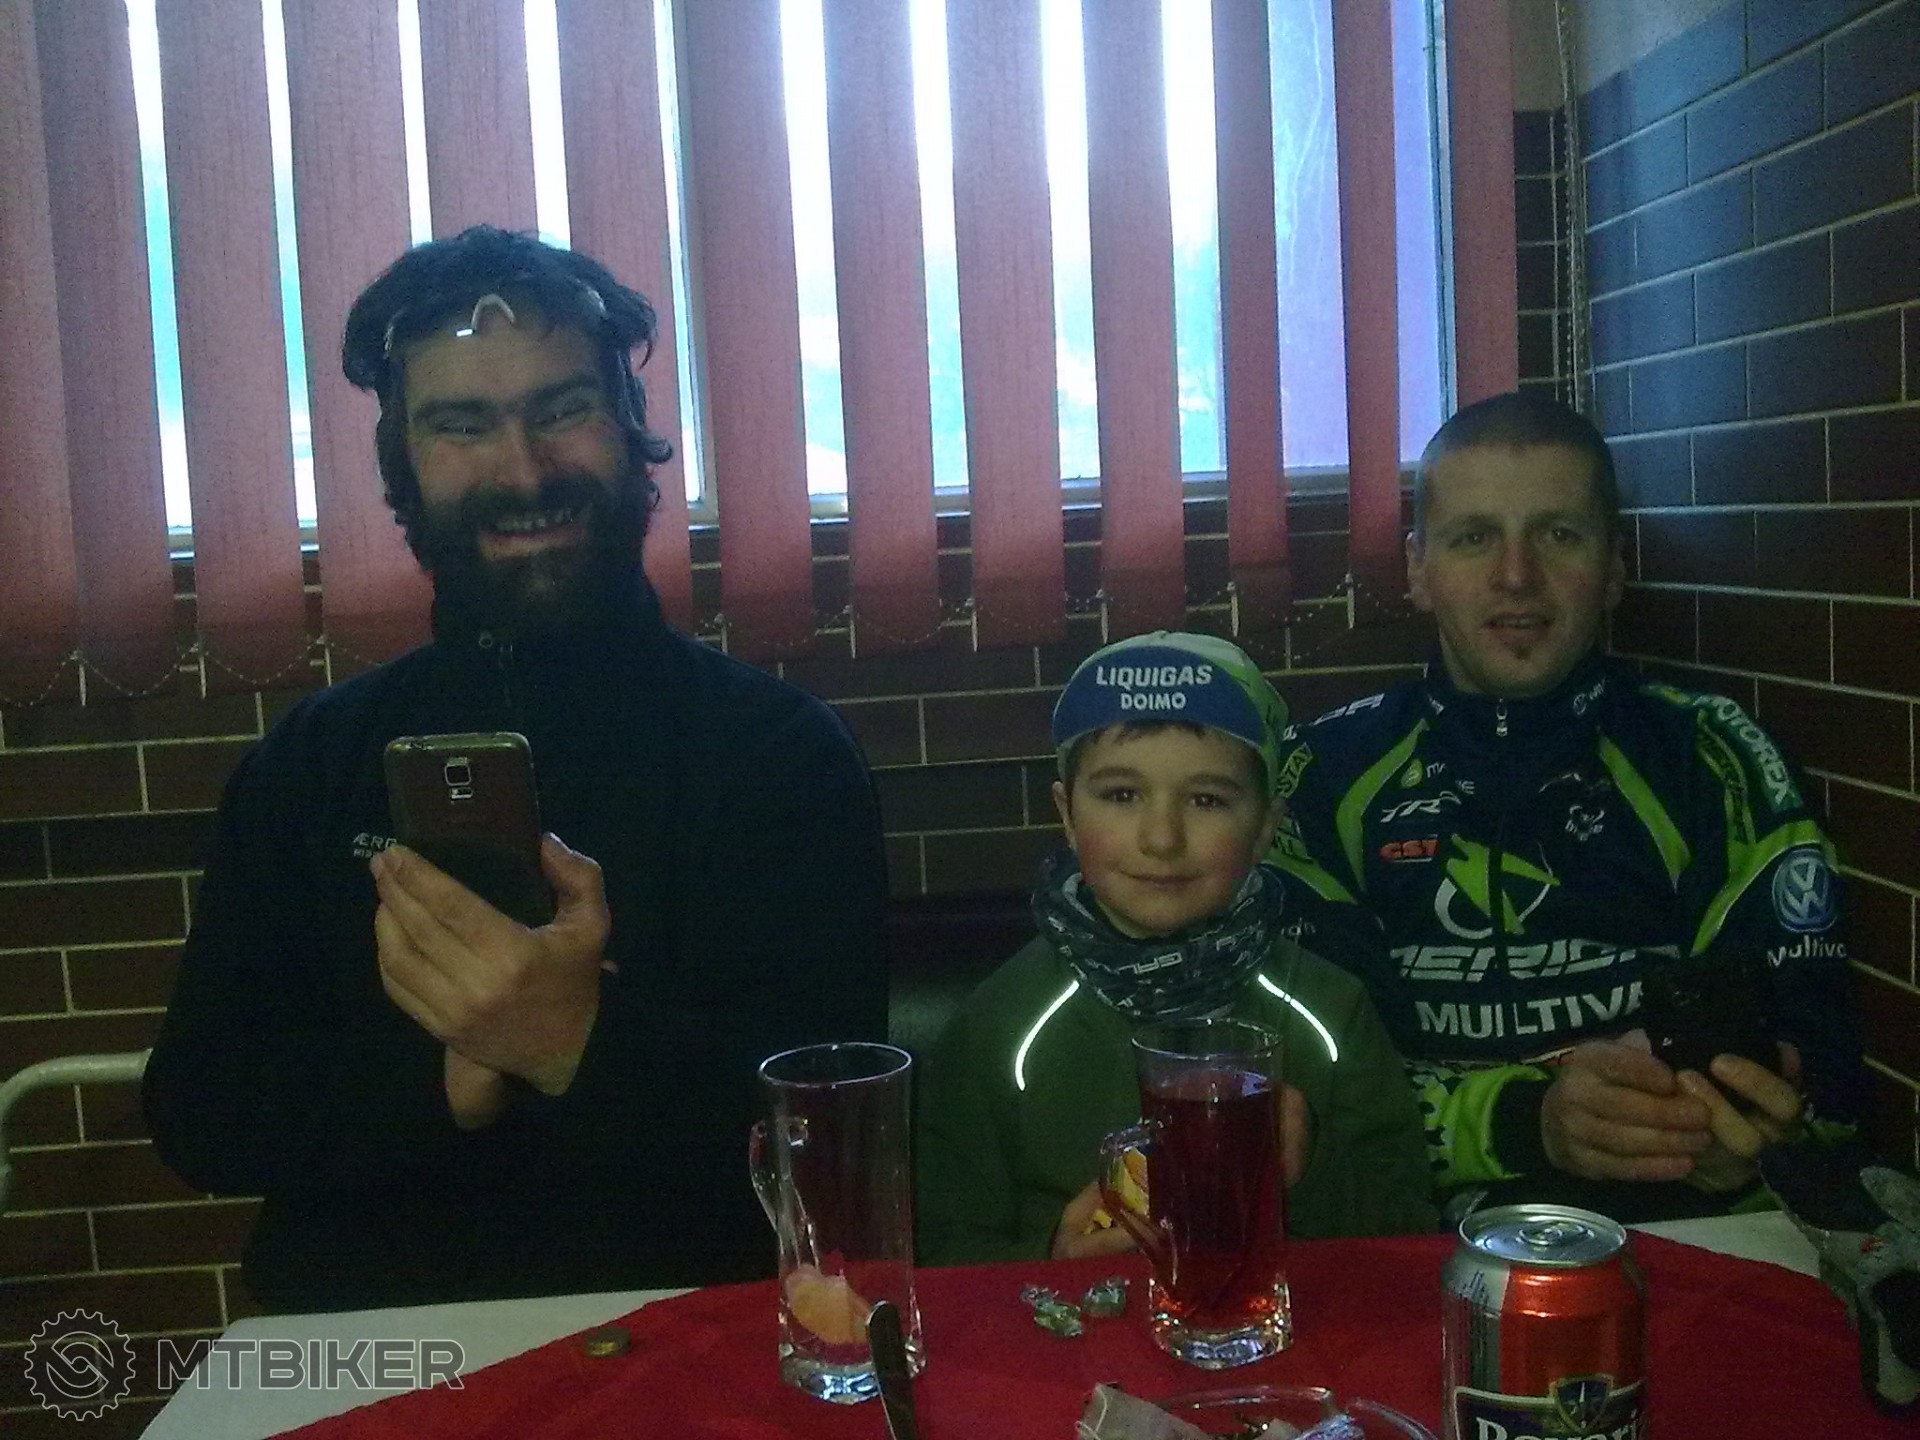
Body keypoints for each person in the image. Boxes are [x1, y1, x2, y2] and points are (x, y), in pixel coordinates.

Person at [143, 227, 889, 1310]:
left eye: (562, 409)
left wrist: (576, 1037)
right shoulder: (308, 766)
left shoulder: (779, 759)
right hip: (374, 1352)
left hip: (691, 1334)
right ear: (403, 465)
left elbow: (832, 1134)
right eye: (462, 425)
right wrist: (445, 1081)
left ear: (629, 431)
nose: (525, 470)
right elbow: (200, 1114)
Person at [1267, 390, 1866, 1223]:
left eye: (1559, 534)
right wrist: (1526, 1121)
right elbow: (1300, 1091)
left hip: (1669, 1228)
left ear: (1613, 567)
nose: (1517, 576)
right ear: (1417, 570)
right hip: (1405, 1239)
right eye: (1474, 537)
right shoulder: (1320, 774)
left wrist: (1755, 1139)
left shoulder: (1709, 756)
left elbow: (1827, 1078)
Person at [915, 632, 1435, 1265]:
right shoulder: (997, 1025)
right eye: (1121, 795)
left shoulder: (1331, 1012)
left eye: (1206, 799)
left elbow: (1407, 1235)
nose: (1162, 839)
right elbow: (943, 1249)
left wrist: (1310, 1168)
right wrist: (1050, 1260)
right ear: (1068, 814)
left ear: (1265, 827)